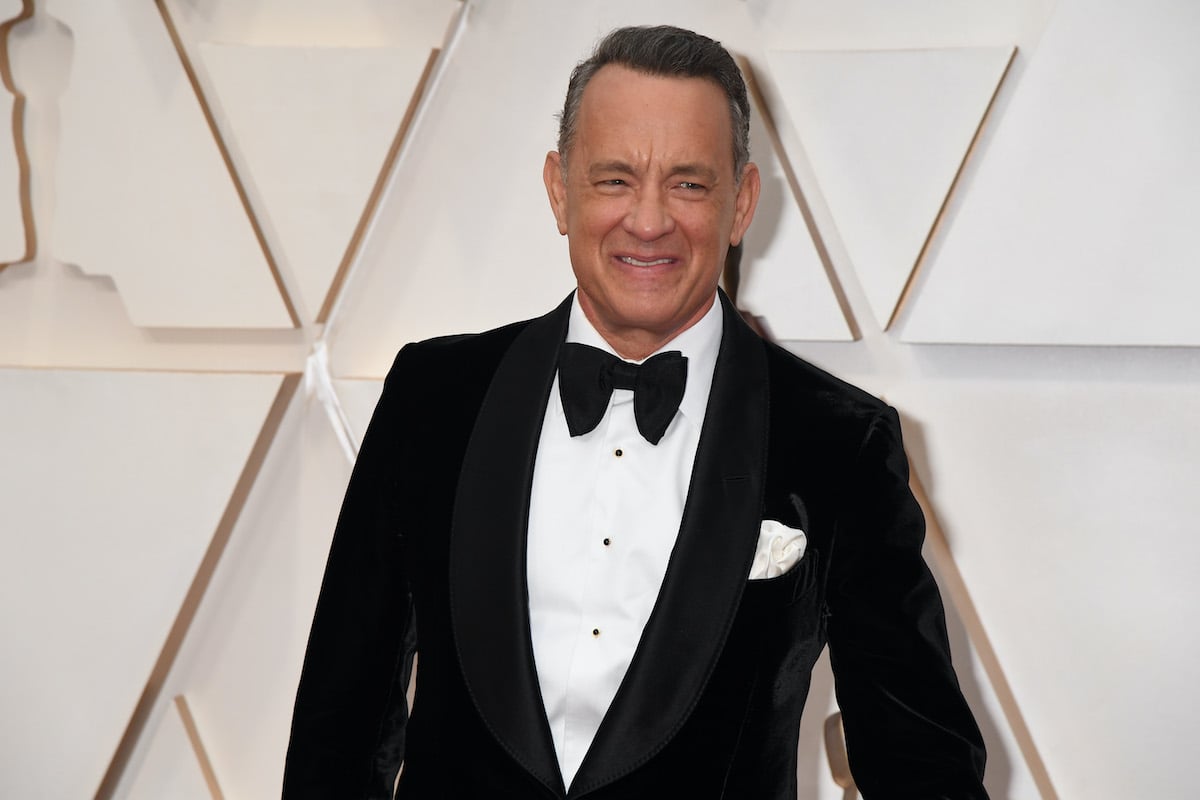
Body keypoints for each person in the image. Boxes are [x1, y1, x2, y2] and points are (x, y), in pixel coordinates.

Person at [283, 25, 987, 800]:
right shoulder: (433, 396)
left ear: (743, 201)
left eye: (688, 183)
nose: (648, 222)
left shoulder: (837, 442)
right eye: (614, 180)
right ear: (559, 189)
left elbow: (923, 767)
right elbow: (339, 733)